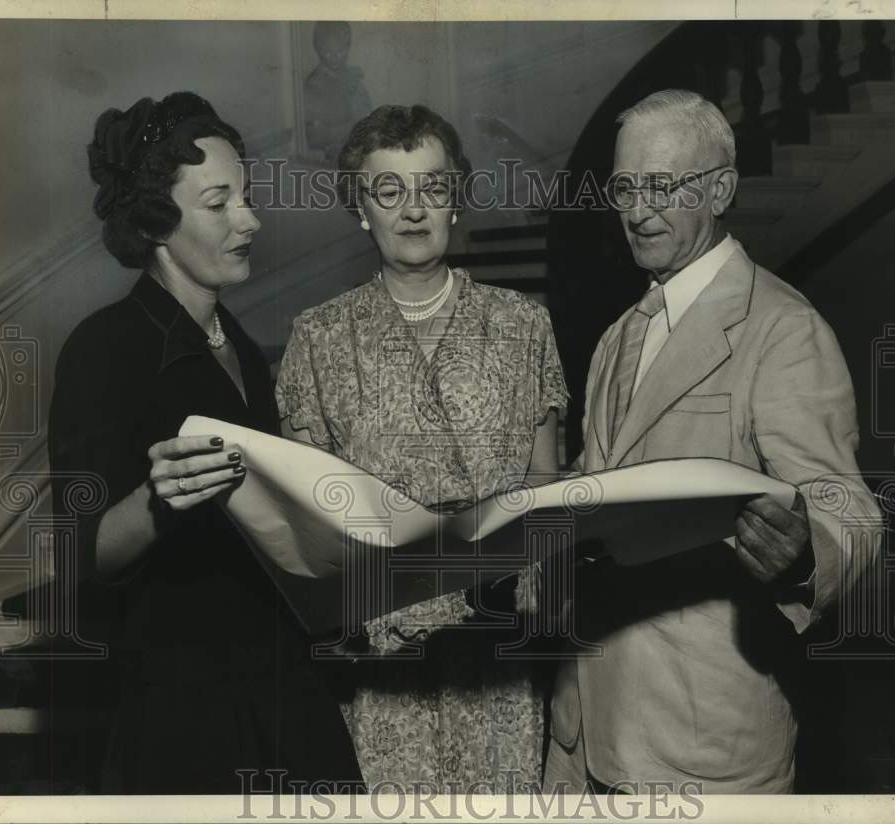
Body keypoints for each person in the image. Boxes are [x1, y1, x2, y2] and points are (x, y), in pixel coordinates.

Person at [543, 90, 882, 794]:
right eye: (625, 187)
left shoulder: (784, 329)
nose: (637, 211)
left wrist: (803, 555)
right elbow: (604, 482)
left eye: (662, 186)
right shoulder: (620, 334)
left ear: (721, 188)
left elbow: (847, 507)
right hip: (587, 731)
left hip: (702, 749)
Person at [48, 91, 363, 794]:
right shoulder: (104, 347)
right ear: (157, 221)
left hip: (280, 683)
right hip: (183, 711)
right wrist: (155, 500)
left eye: (245, 198)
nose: (249, 220)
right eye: (219, 204)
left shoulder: (240, 347)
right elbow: (80, 555)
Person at [275, 104, 568, 792]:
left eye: (432, 188)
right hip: (376, 664)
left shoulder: (523, 326)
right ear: (360, 208)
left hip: (497, 650)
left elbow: (548, 488)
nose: (413, 210)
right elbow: (303, 522)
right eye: (389, 190)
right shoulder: (317, 337)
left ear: (456, 200)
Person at [304, 21, 373, 164]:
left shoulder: (353, 78)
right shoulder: (314, 84)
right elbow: (315, 136)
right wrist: (352, 126)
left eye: (340, 51)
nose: (335, 57)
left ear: (348, 47)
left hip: (355, 152)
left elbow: (367, 117)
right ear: (317, 48)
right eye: (327, 51)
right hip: (328, 159)